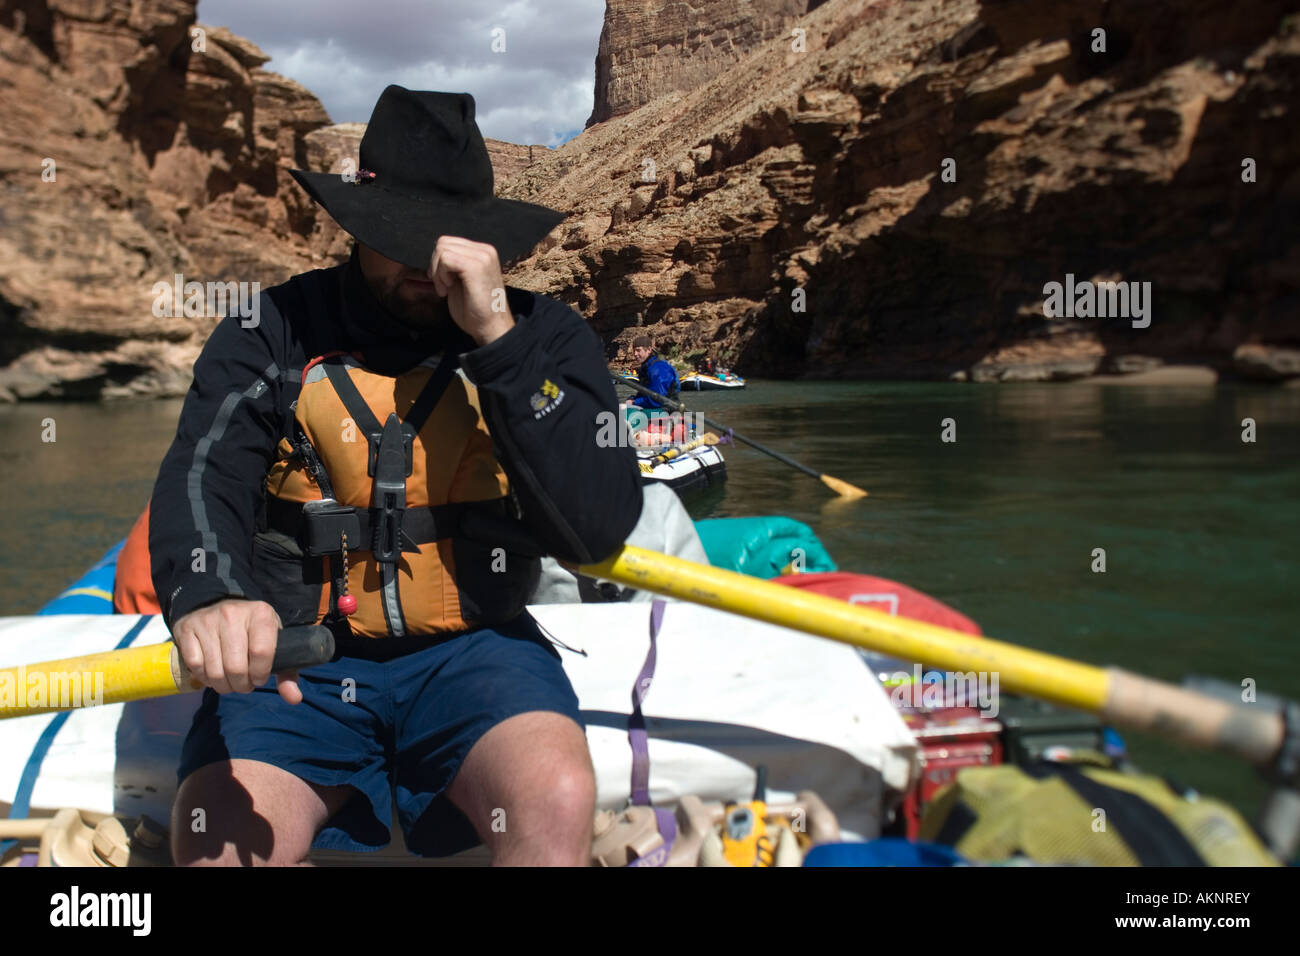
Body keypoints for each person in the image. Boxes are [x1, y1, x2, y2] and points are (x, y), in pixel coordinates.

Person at [149, 86, 643, 866]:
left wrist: (499, 342)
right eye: (402, 237)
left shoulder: (542, 334)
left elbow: (597, 526)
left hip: (478, 653)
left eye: (448, 241)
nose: (427, 264)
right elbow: (203, 473)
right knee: (218, 837)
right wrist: (209, 593)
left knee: (558, 797)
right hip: (300, 661)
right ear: (357, 226)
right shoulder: (268, 328)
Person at [628, 336, 679, 409]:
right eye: (634, 351)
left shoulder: (657, 368)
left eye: (638, 350)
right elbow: (645, 393)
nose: (635, 354)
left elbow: (657, 399)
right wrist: (633, 398)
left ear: (649, 350)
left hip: (665, 411)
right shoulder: (646, 368)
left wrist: (634, 402)